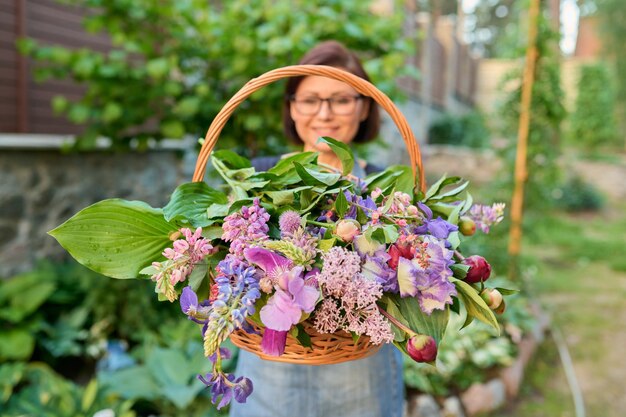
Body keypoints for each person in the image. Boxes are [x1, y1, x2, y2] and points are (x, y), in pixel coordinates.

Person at [230, 41, 404, 417]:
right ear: (291, 106)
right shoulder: (256, 181)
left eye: (341, 99)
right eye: (309, 99)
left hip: (361, 374)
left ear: (364, 106)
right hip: (270, 367)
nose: (324, 113)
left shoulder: (385, 189)